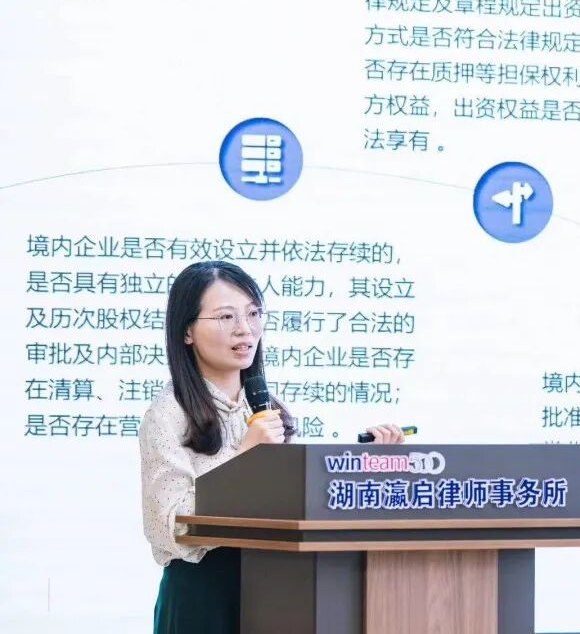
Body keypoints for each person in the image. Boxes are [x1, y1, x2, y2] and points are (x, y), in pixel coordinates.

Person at [138, 261, 405, 633]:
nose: (245, 328)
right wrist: (244, 459)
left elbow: (289, 504)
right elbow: (168, 527)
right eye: (226, 317)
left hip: (273, 587)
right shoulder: (168, 414)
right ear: (186, 331)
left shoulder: (264, 407)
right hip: (204, 595)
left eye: (253, 313)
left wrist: (365, 466)